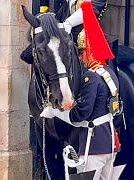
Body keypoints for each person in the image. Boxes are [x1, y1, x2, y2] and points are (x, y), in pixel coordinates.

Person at [40, 2, 121, 179]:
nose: (81, 56)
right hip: (108, 144)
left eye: (83, 52)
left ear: (90, 51)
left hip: (92, 146)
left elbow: (79, 115)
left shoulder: (91, 77)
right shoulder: (108, 73)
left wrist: (54, 111)